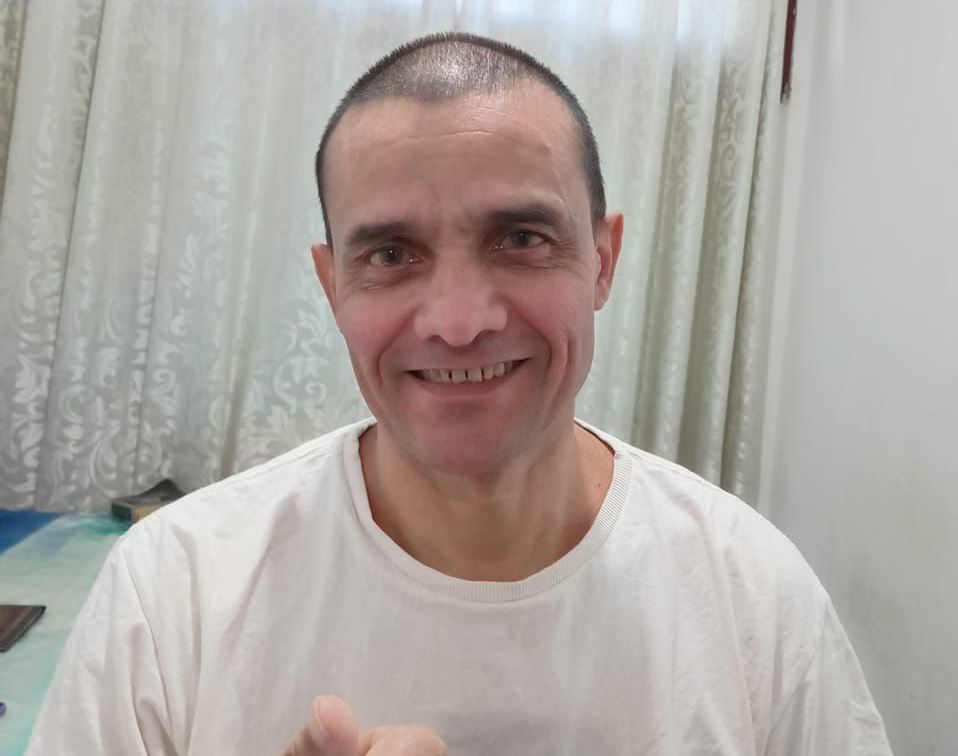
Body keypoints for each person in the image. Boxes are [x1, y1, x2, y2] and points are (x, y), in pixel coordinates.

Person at [27, 32, 892, 755]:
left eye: (521, 238)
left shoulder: (753, 599)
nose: (457, 322)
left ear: (604, 260)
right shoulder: (173, 594)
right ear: (332, 286)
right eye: (391, 254)